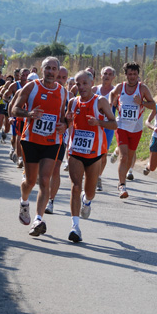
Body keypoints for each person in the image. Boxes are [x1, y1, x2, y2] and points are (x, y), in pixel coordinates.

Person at [10, 57, 67, 236]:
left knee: (44, 180)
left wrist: (65, 125)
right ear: (42, 70)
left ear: (58, 72)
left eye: (54, 69)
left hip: (52, 141)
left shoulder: (63, 92)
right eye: (47, 68)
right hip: (31, 140)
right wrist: (29, 114)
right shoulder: (31, 87)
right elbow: (14, 109)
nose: (50, 72)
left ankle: (38, 220)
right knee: (30, 181)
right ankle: (24, 202)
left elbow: (65, 117)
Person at [66, 70, 117, 242]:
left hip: (95, 153)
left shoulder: (100, 101)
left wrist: (99, 122)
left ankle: (87, 202)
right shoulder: (73, 103)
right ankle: (75, 227)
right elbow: (67, 122)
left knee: (89, 192)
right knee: (75, 186)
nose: (81, 87)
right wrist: (66, 120)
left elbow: (114, 124)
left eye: (84, 84)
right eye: (78, 84)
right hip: (76, 152)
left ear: (91, 83)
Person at [109, 62, 155, 198]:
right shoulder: (120, 87)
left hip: (136, 128)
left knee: (129, 156)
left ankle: (122, 179)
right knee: (123, 156)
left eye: (135, 74)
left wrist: (141, 102)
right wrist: (114, 103)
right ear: (126, 75)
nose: (132, 76)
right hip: (121, 126)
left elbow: (153, 105)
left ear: (137, 74)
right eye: (130, 74)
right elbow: (112, 94)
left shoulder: (143, 88)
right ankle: (122, 185)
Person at [44, 66, 70, 214]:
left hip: (60, 136)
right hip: (41, 135)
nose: (60, 80)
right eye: (58, 76)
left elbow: (71, 117)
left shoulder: (69, 95)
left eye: (63, 78)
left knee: (55, 168)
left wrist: (67, 123)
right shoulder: (43, 90)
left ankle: (50, 201)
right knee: (41, 170)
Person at [92, 66, 116, 191]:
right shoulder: (94, 89)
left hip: (107, 126)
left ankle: (98, 177)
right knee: (91, 151)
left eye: (109, 74)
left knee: (103, 153)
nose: (107, 76)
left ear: (113, 77)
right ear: (100, 76)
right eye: (104, 73)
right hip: (93, 125)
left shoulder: (115, 92)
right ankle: (91, 175)